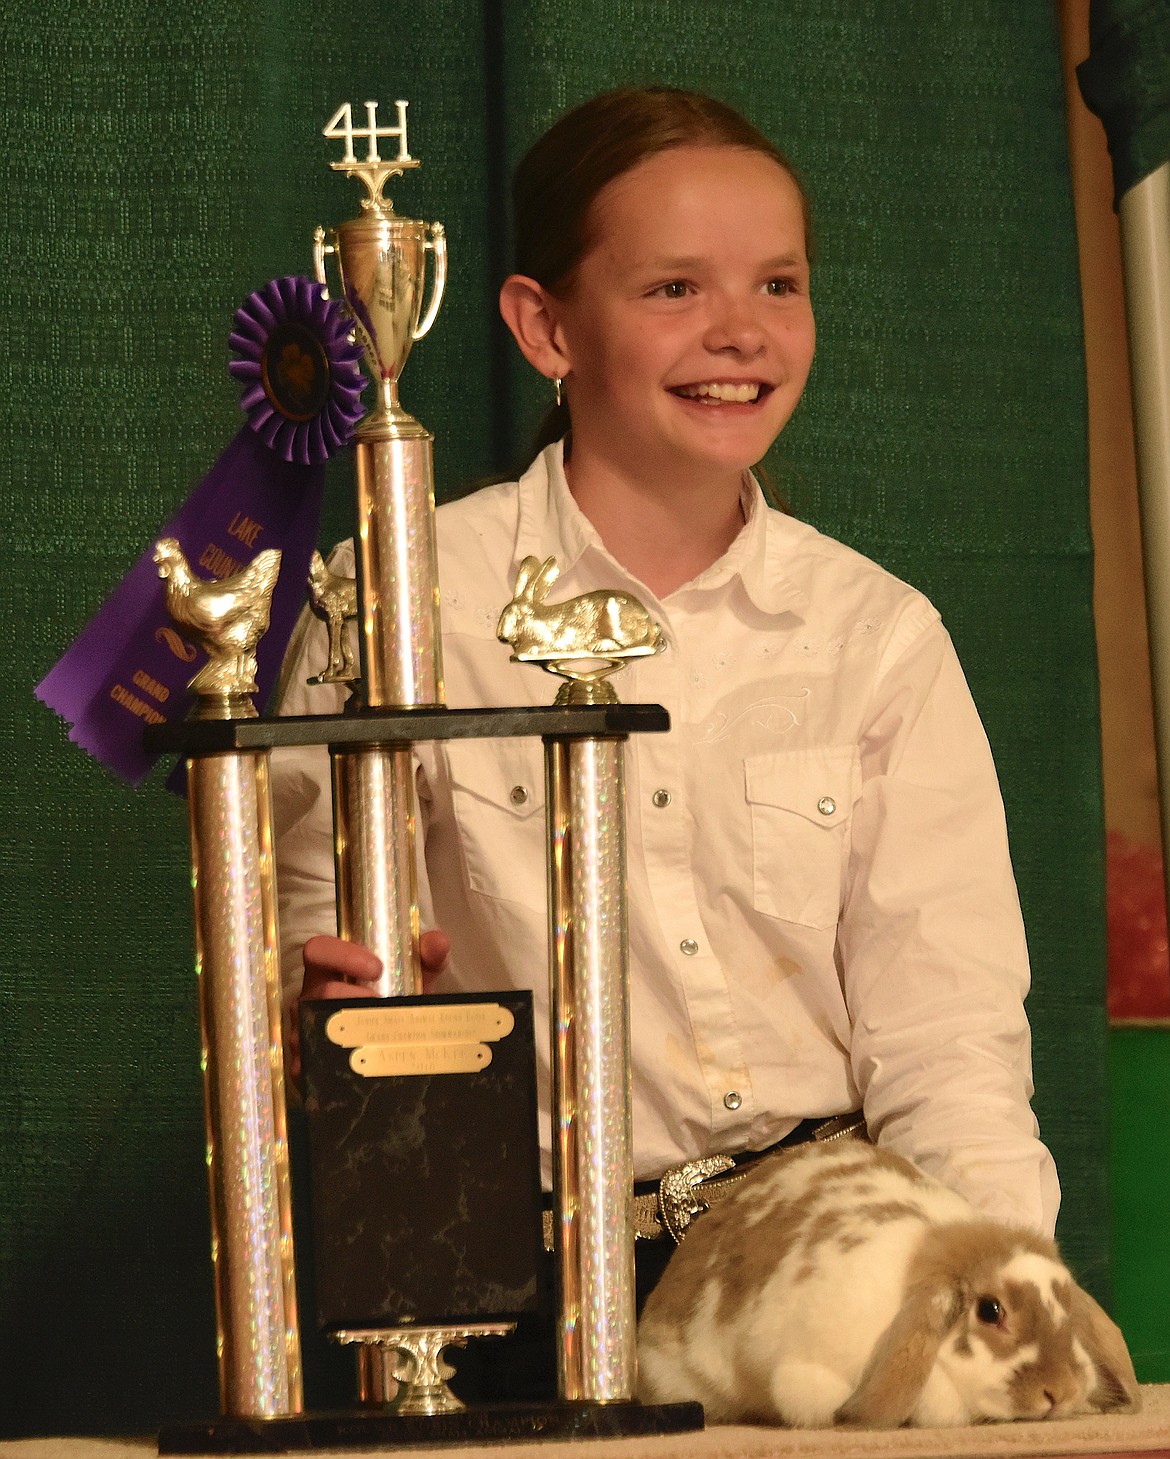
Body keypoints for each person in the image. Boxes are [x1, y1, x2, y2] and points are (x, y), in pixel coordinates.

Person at [272, 87, 1060, 1349]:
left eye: (779, 285)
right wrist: (328, 1001)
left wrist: (994, 1297)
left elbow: (947, 1032)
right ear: (546, 328)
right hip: (500, 1297)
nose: (739, 333)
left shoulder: (877, 635)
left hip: (822, 1288)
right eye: (674, 290)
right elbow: (307, 941)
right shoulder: (402, 600)